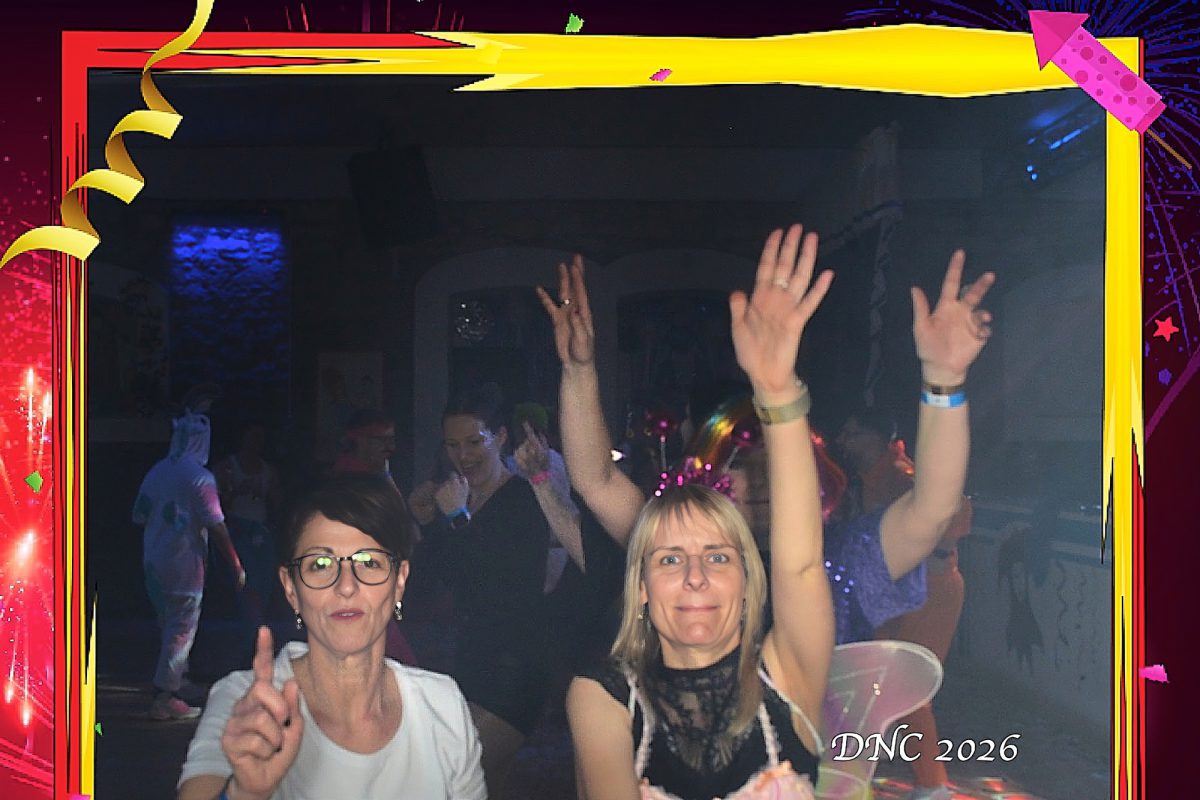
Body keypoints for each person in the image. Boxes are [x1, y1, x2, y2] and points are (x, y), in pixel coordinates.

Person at [547, 230, 994, 647]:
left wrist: (944, 381)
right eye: (742, 463)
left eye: (775, 463)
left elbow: (933, 507)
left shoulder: (841, 561)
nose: (762, 479)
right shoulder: (681, 553)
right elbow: (596, 480)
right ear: (712, 472)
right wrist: (578, 369)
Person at [556, 223, 836, 799]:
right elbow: (595, 481)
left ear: (750, 578)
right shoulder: (603, 696)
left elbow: (801, 564)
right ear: (640, 585)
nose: (695, 577)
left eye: (717, 556)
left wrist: (778, 389)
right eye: (669, 560)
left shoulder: (788, 670)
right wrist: (579, 370)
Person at [176, 473, 486, 800]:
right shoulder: (246, 702)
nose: (346, 585)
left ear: (399, 582)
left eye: (368, 562)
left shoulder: (442, 704)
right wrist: (243, 793)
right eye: (321, 564)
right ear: (291, 588)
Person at [407, 384, 564, 797]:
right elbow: (432, 582)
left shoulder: (523, 499)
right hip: (470, 666)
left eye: (475, 442)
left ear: (501, 437)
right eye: (453, 445)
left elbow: (502, 585)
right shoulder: (457, 500)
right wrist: (427, 521)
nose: (463, 455)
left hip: (515, 670)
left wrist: (457, 517)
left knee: (448, 783)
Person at [837, 408, 972, 800]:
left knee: (908, 684)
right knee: (875, 673)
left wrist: (937, 554)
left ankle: (933, 785)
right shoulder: (871, 478)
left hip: (930, 590)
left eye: (853, 433)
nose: (844, 441)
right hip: (901, 591)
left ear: (879, 438)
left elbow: (956, 508)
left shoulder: (900, 476)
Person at [133, 408, 246, 721]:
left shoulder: (157, 471)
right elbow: (217, 525)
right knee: (182, 628)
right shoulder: (200, 477)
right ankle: (165, 696)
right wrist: (236, 563)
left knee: (168, 625)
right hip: (183, 565)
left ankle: (177, 681)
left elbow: (139, 515)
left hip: (154, 563)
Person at [330, 408, 420, 666]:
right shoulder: (353, 481)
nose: (390, 447)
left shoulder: (374, 475)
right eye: (382, 440)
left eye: (392, 440)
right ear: (359, 441)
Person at [215, 423, 284, 653]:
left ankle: (257, 629)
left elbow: (277, 503)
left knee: (264, 581)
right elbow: (214, 504)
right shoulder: (228, 467)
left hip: (260, 531)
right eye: (251, 437)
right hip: (237, 529)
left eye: (259, 439)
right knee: (246, 582)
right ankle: (250, 634)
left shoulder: (268, 471)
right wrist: (235, 490)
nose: (255, 443)